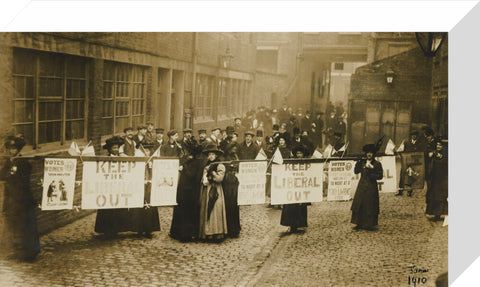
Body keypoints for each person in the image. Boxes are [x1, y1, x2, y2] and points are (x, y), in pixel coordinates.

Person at [1, 136, 40, 261]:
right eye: (9, 148)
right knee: (15, 226)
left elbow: (22, 181)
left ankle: (30, 252)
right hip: (12, 199)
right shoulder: (10, 161)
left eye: (13, 148)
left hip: (23, 199)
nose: (11, 151)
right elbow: (2, 175)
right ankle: (18, 251)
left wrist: (10, 176)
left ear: (18, 149)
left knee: (26, 225)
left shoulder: (23, 162)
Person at [94, 136, 131, 237]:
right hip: (108, 187)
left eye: (117, 148)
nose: (116, 150)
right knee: (108, 209)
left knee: (118, 208)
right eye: (114, 148)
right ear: (110, 149)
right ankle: (106, 229)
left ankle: (117, 228)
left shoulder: (121, 158)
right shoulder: (105, 159)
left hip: (118, 186)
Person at [170, 150, 204, 242]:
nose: (187, 155)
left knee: (187, 213)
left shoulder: (195, 163)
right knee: (183, 211)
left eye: (188, 153)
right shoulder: (192, 162)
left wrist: (184, 168)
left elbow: (191, 175)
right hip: (185, 191)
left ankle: (186, 234)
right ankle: (179, 232)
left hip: (189, 192)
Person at [130, 143, 161, 238]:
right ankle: (138, 229)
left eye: (148, 151)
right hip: (139, 186)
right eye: (145, 151)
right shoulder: (138, 161)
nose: (147, 152)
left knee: (149, 207)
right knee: (139, 208)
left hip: (149, 186)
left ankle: (149, 229)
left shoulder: (152, 161)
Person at [198, 145, 228, 242]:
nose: (211, 156)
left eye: (212, 154)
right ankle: (207, 233)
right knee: (206, 210)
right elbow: (203, 176)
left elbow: (220, 179)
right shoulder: (206, 165)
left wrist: (213, 173)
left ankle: (216, 233)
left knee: (215, 210)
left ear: (216, 155)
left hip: (216, 190)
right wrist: (204, 179)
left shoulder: (220, 165)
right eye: (209, 155)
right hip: (206, 190)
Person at [351, 144, 383, 231]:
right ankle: (359, 222)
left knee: (370, 205)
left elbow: (380, 176)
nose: (369, 154)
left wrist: (371, 171)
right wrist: (358, 162)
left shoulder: (377, 164)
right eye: (368, 153)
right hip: (362, 185)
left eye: (371, 153)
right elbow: (356, 171)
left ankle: (369, 224)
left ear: (373, 154)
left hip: (371, 186)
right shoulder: (362, 163)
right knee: (360, 204)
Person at [280, 144, 310, 233]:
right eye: (297, 153)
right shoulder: (292, 162)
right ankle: (292, 225)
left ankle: (300, 224)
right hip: (292, 188)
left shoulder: (306, 162)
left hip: (302, 187)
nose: (299, 155)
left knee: (301, 207)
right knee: (291, 207)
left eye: (300, 153)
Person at [426, 137, 448, 222]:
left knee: (441, 197)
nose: (438, 146)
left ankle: (439, 214)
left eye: (440, 145)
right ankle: (435, 213)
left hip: (442, 178)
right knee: (433, 196)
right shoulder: (434, 154)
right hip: (434, 178)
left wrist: (441, 158)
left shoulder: (446, 154)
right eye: (437, 145)